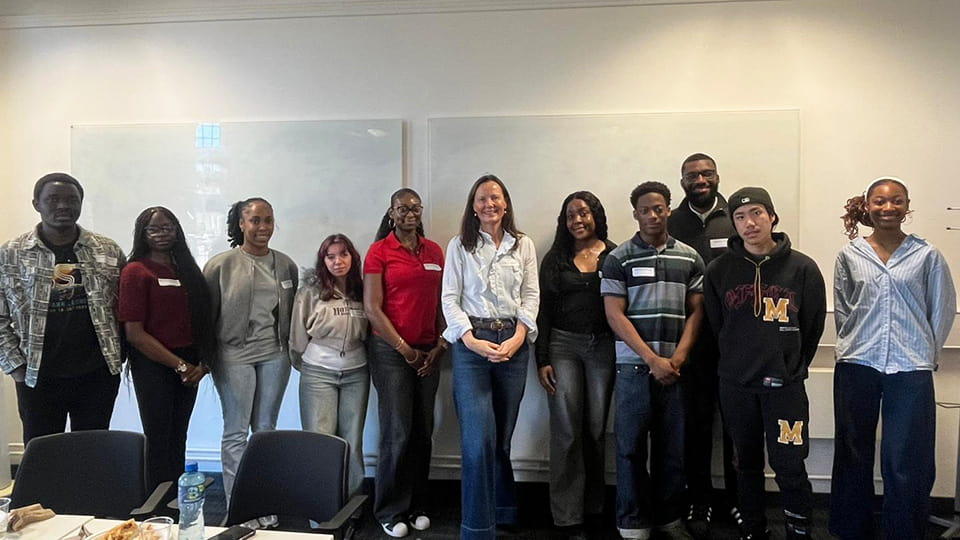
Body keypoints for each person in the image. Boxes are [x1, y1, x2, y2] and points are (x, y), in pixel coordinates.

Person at [829, 177, 956, 540]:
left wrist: (927, 354)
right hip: (858, 363)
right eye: (880, 201)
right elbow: (844, 308)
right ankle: (851, 529)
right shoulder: (850, 254)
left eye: (896, 201)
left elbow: (942, 308)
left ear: (906, 206)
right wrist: (853, 344)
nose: (888, 208)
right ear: (867, 206)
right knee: (853, 452)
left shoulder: (926, 255)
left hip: (910, 367)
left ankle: (904, 530)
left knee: (905, 459)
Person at [703, 187, 826, 540]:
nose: (748, 223)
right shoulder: (718, 271)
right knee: (746, 463)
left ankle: (798, 529)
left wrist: (790, 366)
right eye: (739, 217)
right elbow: (716, 326)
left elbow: (813, 325)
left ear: (772, 216)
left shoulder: (802, 268)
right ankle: (754, 529)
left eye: (756, 213)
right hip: (737, 388)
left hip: (785, 390)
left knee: (789, 462)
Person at [602, 181, 704, 540]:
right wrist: (651, 359)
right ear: (635, 214)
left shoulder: (690, 257)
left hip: (676, 369)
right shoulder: (618, 258)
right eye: (645, 209)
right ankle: (632, 521)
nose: (652, 215)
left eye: (658, 208)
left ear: (669, 210)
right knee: (629, 449)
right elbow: (615, 315)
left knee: (672, 449)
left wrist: (677, 357)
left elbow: (697, 312)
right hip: (633, 368)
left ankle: (669, 518)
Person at [441, 174, 539, 540]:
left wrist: (518, 336)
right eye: (481, 199)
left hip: (513, 344)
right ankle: (478, 530)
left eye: (495, 198)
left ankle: (504, 509)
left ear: (506, 203)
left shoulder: (523, 245)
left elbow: (531, 295)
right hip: (472, 346)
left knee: (500, 439)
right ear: (473, 205)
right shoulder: (459, 246)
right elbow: (449, 298)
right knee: (478, 439)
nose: (489, 205)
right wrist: (469, 339)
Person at [0, 172, 125, 443]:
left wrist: (119, 357)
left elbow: (125, 308)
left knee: (92, 450)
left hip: (97, 374)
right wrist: (15, 367)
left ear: (81, 203)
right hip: (38, 375)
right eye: (53, 199)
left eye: (71, 199)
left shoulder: (107, 249)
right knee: (43, 454)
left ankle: (88, 489)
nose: (63, 206)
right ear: (36, 203)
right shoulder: (12, 252)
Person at [203, 197, 298, 500]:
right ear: (241, 224)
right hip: (233, 355)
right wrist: (205, 359)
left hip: (274, 353)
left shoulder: (285, 264)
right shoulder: (221, 265)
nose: (262, 227)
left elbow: (293, 310)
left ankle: (263, 500)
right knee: (236, 430)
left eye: (268, 220)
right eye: (255, 220)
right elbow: (206, 315)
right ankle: (238, 504)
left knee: (265, 430)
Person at [363, 189, 446, 538]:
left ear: (421, 211)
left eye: (414, 208)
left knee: (422, 432)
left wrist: (439, 346)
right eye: (402, 208)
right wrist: (405, 350)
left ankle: (417, 505)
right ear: (392, 213)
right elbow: (372, 308)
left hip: (429, 351)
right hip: (390, 352)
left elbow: (445, 302)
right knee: (397, 432)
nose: (409, 213)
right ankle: (389, 509)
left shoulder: (435, 251)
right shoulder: (379, 251)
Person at [666, 153, 740, 537]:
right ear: (682, 181)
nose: (700, 179)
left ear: (717, 176)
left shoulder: (737, 217)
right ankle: (700, 499)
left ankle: (739, 501)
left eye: (706, 173)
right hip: (689, 342)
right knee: (694, 426)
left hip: (734, 343)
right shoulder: (671, 222)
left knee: (735, 427)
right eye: (692, 175)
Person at [536, 191, 616, 535]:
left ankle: (594, 508)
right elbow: (543, 312)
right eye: (571, 215)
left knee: (596, 431)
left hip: (603, 348)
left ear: (596, 215)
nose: (578, 220)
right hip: (563, 346)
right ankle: (568, 517)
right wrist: (542, 359)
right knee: (567, 432)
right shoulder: (555, 259)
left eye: (584, 213)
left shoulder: (615, 255)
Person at [120, 206, 214, 488]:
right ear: (142, 234)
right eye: (154, 228)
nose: (162, 234)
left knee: (179, 435)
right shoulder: (135, 271)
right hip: (154, 364)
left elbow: (200, 320)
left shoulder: (186, 269)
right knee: (158, 437)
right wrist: (180, 366)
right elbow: (134, 334)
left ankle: (176, 499)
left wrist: (201, 364)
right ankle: (155, 506)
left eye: (168, 227)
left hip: (191, 365)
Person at [290, 233, 369, 498]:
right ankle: (320, 508)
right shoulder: (310, 292)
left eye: (343, 255)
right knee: (319, 440)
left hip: (357, 372)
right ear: (323, 260)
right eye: (331, 256)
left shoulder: (363, 289)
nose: (338, 262)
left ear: (352, 257)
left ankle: (351, 507)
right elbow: (297, 337)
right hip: (318, 373)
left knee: (352, 441)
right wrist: (309, 365)